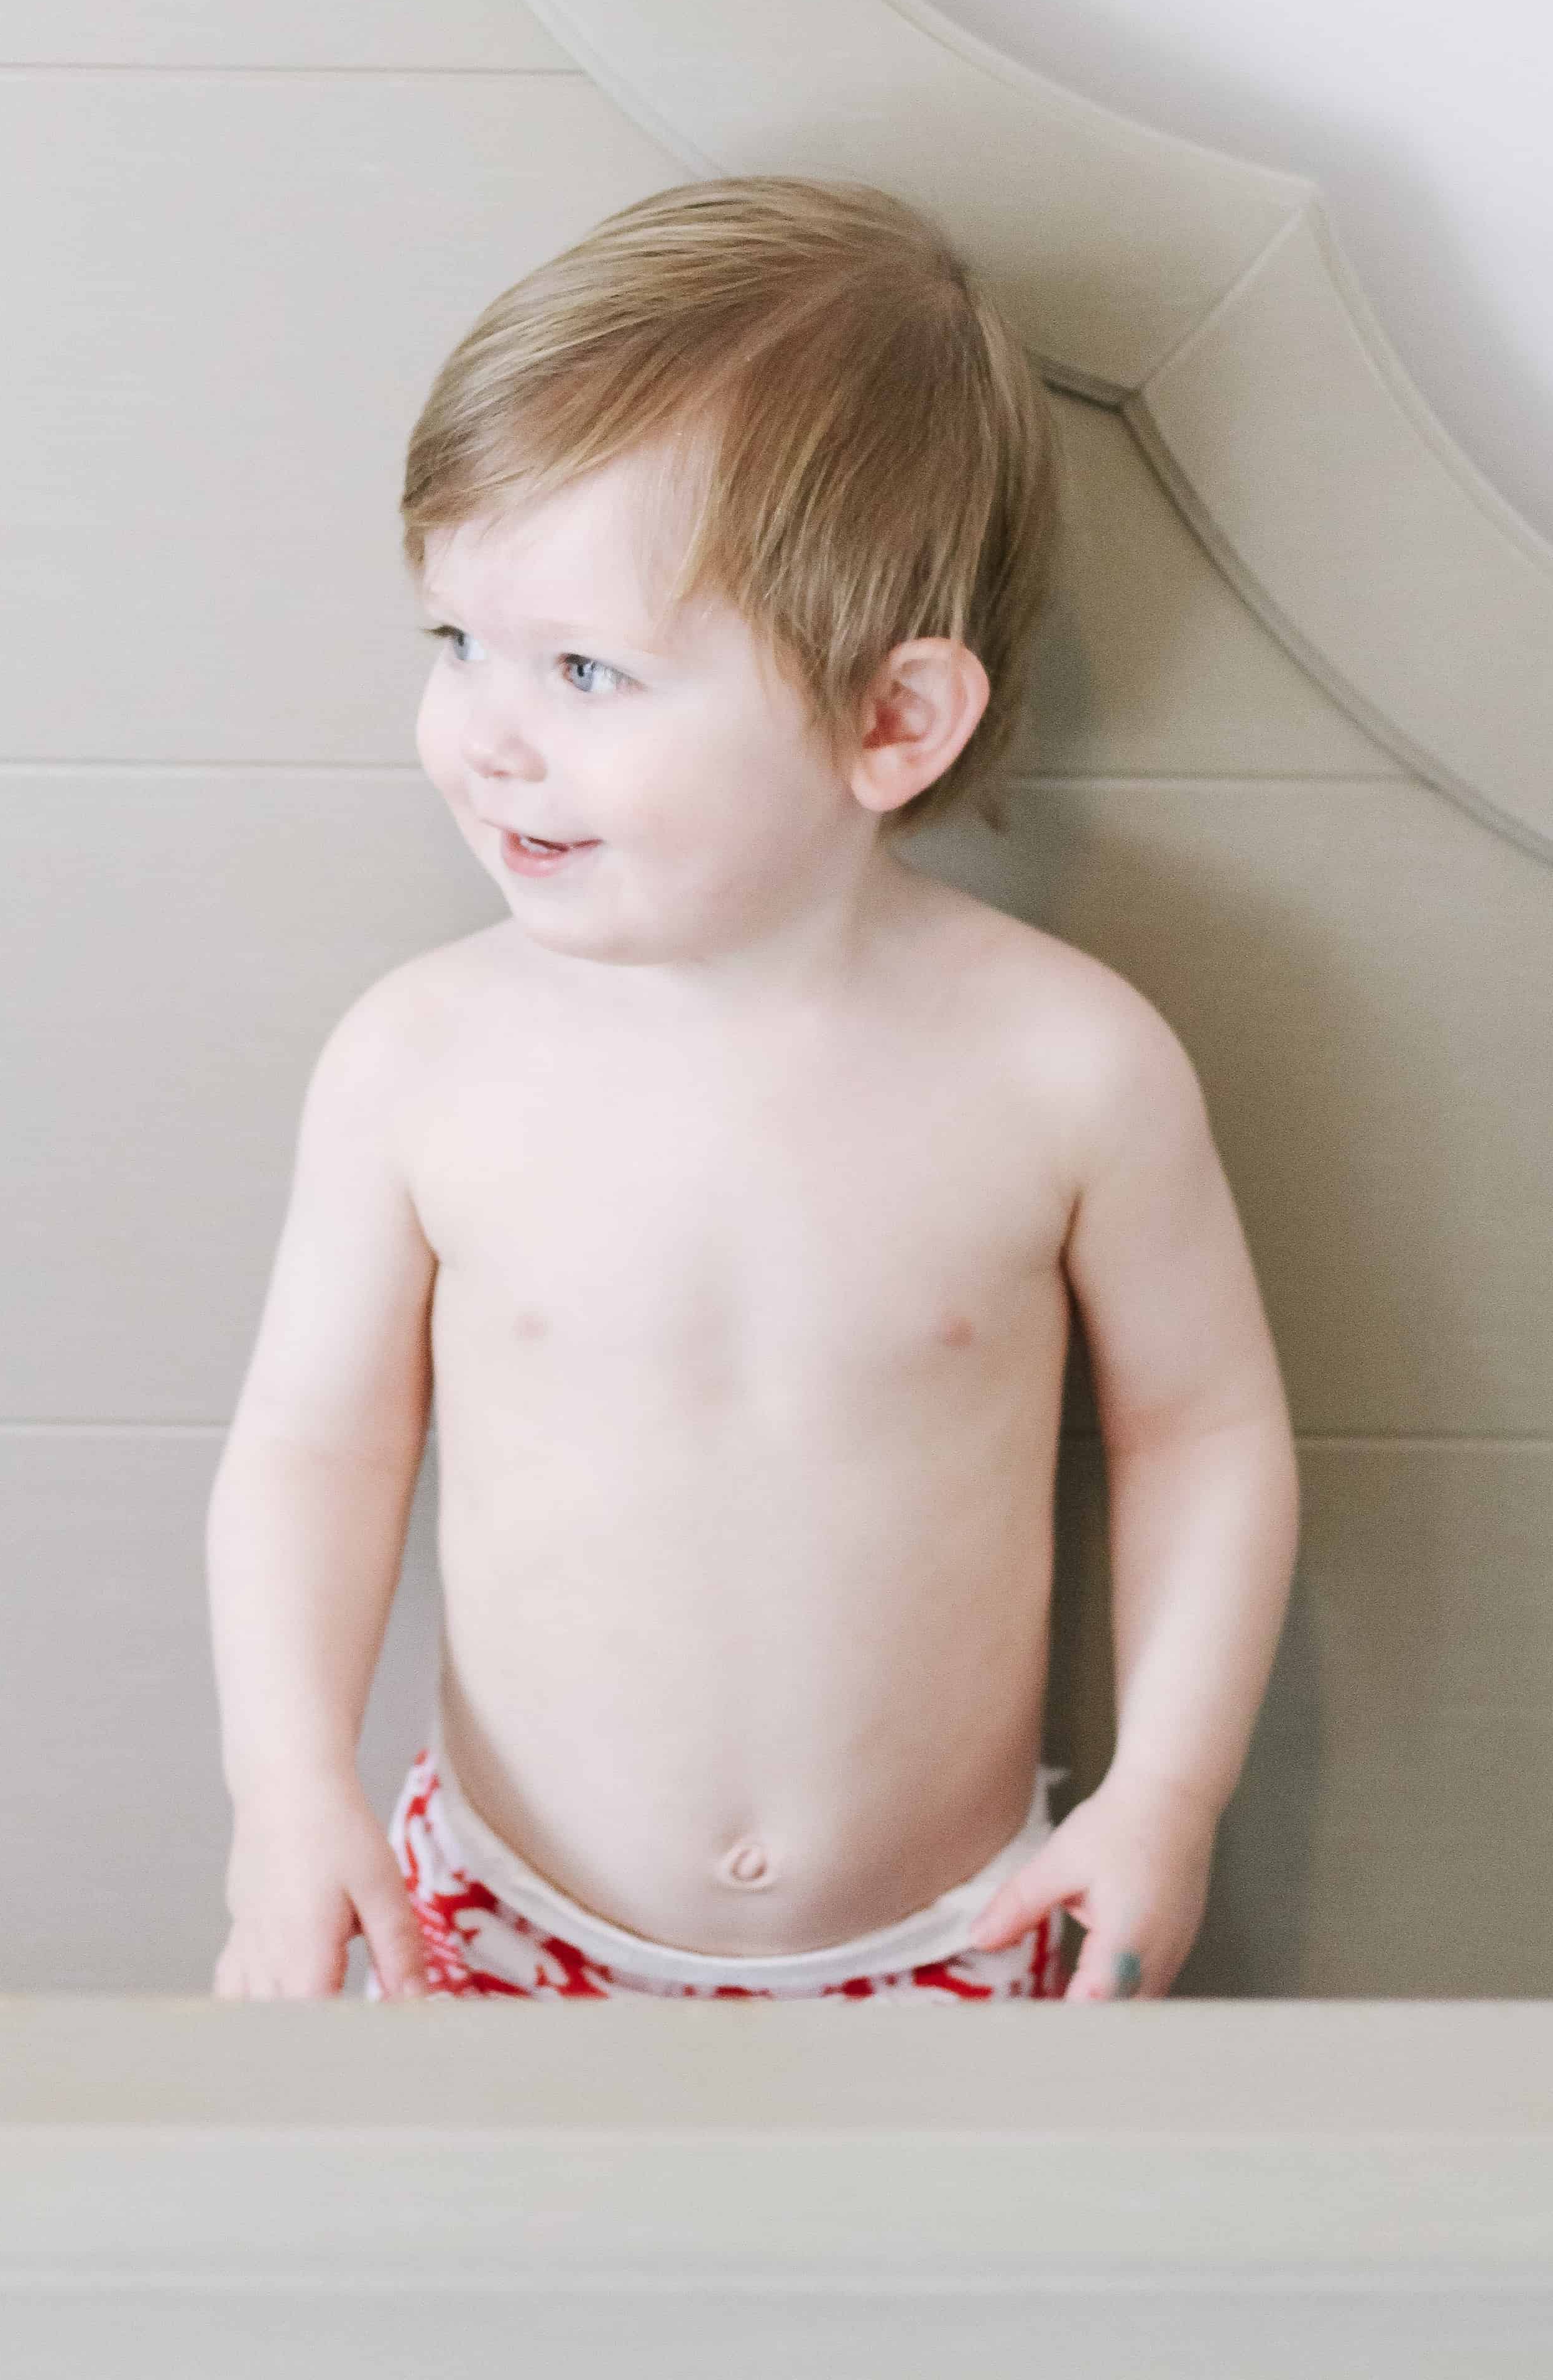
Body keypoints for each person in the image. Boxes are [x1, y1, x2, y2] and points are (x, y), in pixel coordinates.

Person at [206, 177, 1300, 2006]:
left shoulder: (1064, 1064)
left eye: (582, 669)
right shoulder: (421, 1059)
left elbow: (1206, 1432)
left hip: (963, 1938)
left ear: (890, 723)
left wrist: (1163, 1796)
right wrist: (280, 1794)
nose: (484, 731)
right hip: (485, 1923)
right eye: (452, 643)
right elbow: (312, 1449)